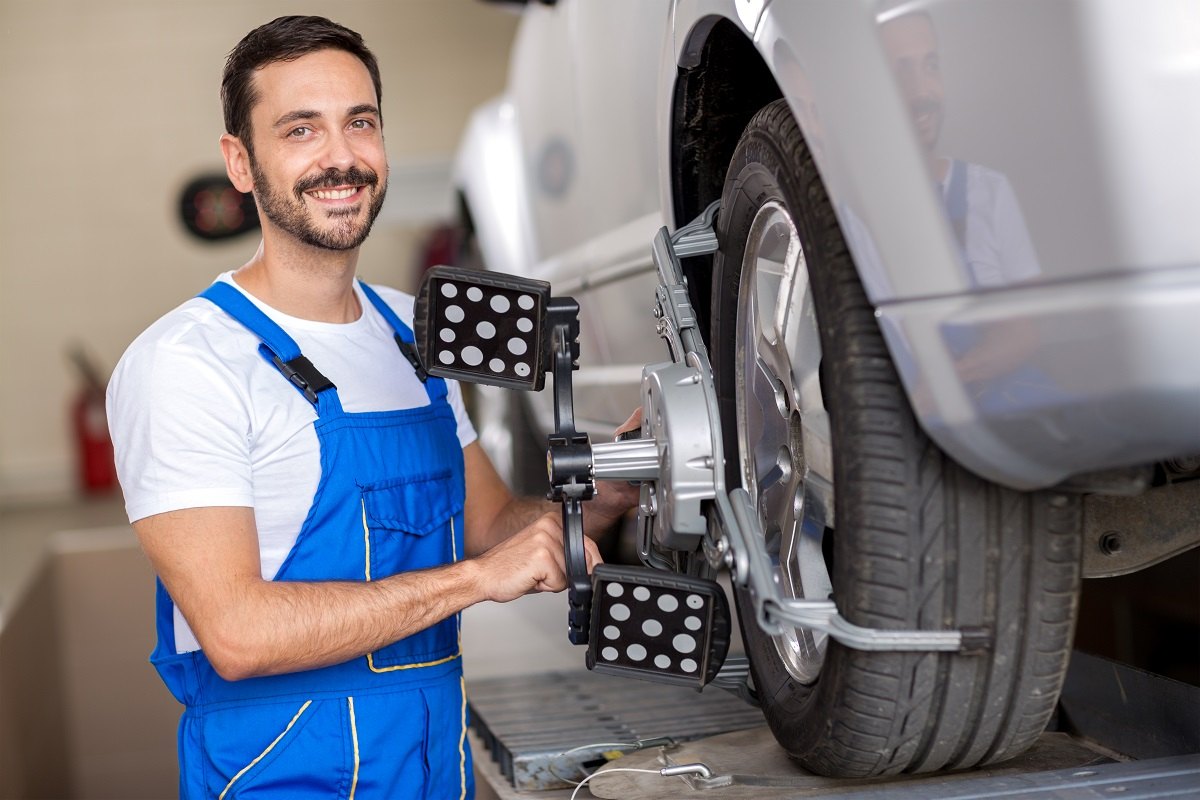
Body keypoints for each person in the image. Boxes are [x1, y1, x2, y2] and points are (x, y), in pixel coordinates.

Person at [107, 16, 636, 799]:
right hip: (282, 776)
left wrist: (604, 497)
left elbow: (490, 526)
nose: (341, 157)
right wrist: (480, 579)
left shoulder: (408, 332)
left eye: (361, 122)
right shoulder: (187, 363)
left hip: (429, 765)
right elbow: (237, 633)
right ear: (240, 164)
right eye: (300, 130)